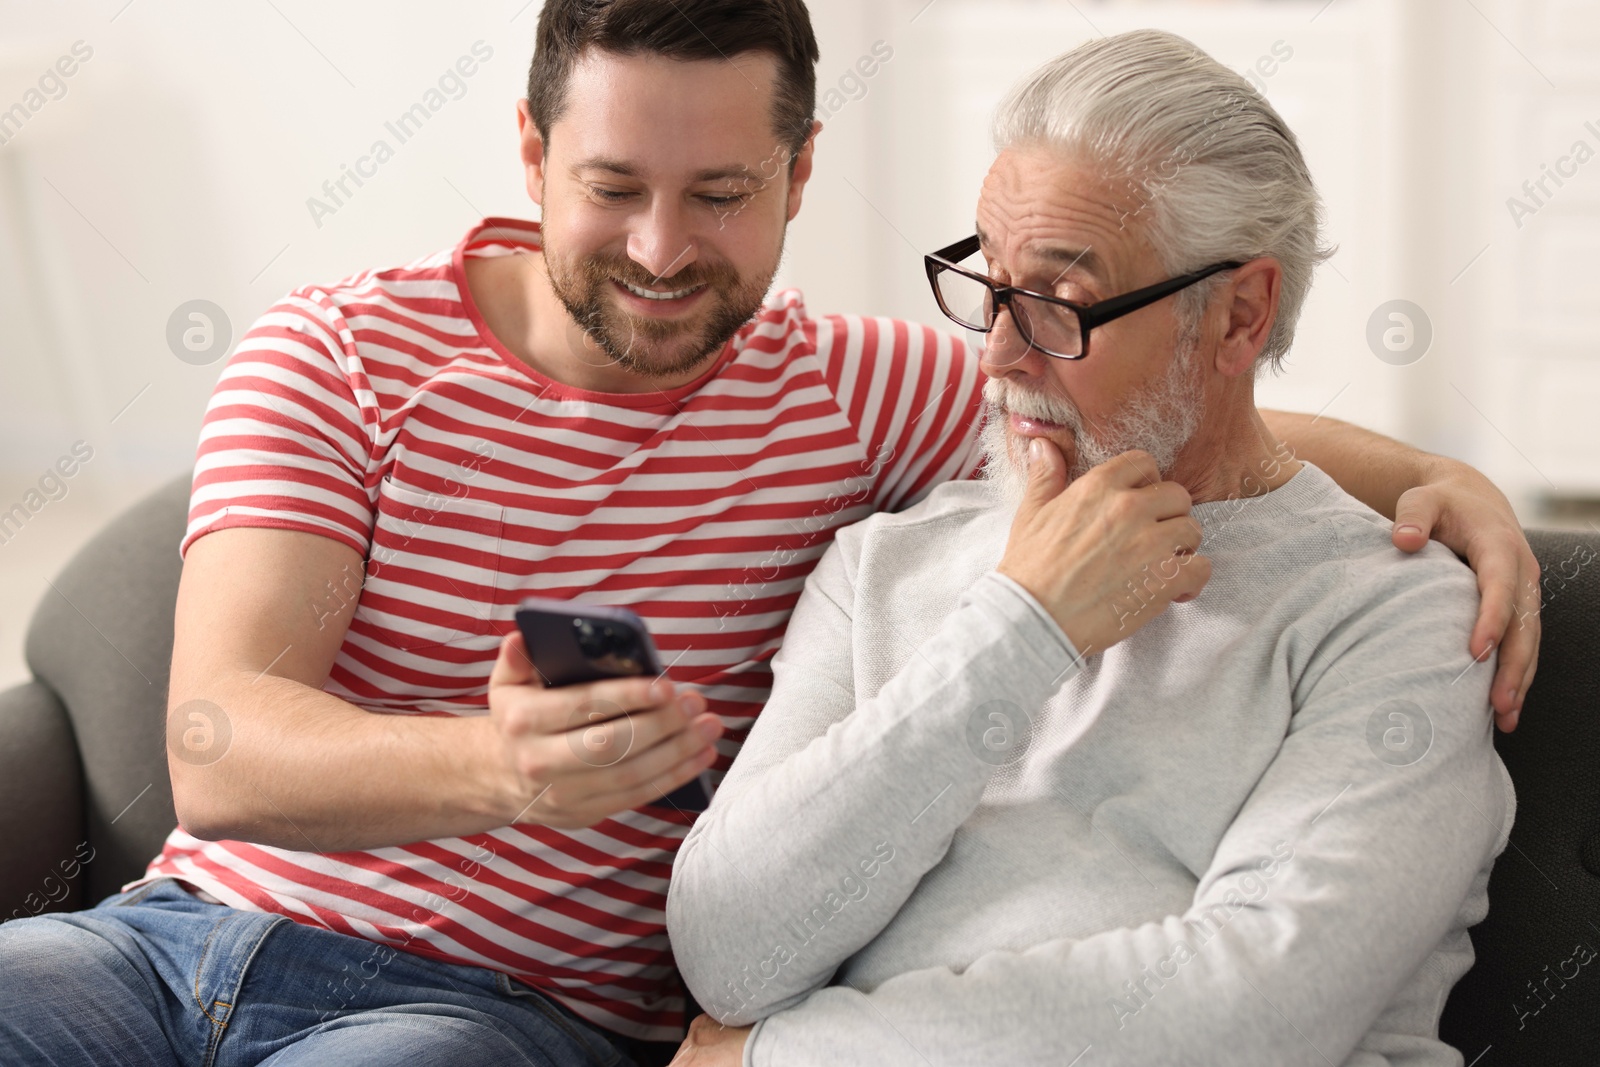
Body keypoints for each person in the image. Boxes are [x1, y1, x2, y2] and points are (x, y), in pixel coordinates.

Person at [0, 5, 1531, 1066]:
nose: (664, 250)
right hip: (178, 929)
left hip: (499, 1012)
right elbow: (215, 749)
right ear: (530, 154)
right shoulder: (340, 352)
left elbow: (1196, 425)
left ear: (803, 178)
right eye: (613, 187)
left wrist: (1444, 479)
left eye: (721, 193)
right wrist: (503, 764)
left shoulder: (859, 393)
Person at [666, 29, 1514, 1066]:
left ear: (1239, 315)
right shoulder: (881, 568)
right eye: (989, 282)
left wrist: (775, 1056)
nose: (998, 353)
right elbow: (729, 954)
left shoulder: (1395, 615)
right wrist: (1023, 626)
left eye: (1060, 304)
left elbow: (1250, 1014)